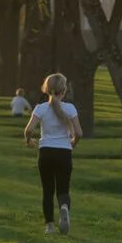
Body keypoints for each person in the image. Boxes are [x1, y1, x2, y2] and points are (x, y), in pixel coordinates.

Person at [24, 73, 81, 234]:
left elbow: (28, 130)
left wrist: (29, 141)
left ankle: (49, 225)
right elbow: (79, 132)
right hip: (64, 152)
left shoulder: (41, 108)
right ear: (64, 90)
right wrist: (73, 143)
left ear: (47, 89)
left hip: (46, 152)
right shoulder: (70, 109)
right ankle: (64, 207)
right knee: (63, 189)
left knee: (47, 190)